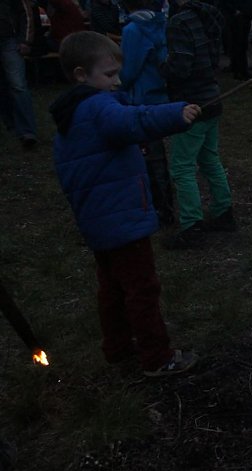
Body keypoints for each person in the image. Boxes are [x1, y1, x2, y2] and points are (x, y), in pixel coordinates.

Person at [49, 31, 200, 376]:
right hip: (121, 218)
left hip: (97, 218)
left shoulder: (71, 115)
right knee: (142, 288)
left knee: (113, 288)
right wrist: (177, 114)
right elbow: (135, 120)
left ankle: (117, 348)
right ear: (80, 76)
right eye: (109, 75)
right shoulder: (99, 106)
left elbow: (111, 139)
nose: (116, 82)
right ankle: (158, 357)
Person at [164, 0, 237, 248]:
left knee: (182, 166)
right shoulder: (210, 16)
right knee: (209, 158)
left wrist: (159, 64)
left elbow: (181, 67)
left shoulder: (180, 21)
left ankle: (191, 226)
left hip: (192, 103)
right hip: (212, 97)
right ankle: (223, 211)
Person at [120, 0, 175, 226]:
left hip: (143, 98)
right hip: (161, 94)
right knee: (158, 155)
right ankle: (165, 205)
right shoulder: (162, 23)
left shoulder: (133, 30)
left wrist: (119, 84)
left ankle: (161, 208)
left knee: (150, 156)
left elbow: (129, 70)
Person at [0, 0, 38, 148]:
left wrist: (26, 41)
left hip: (9, 40)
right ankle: (11, 125)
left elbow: (26, 12)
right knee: (3, 86)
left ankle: (27, 131)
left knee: (18, 85)